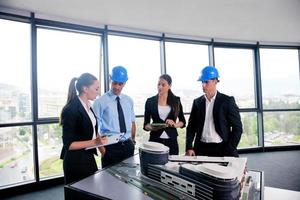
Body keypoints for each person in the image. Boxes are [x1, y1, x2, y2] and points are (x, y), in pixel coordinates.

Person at [60, 73, 107, 184]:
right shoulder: (71, 109)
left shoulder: (89, 106)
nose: (98, 92)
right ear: (85, 88)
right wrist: (94, 142)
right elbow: (69, 145)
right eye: (96, 88)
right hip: (75, 162)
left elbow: (94, 132)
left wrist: (103, 150)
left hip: (88, 157)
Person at [185, 66, 243, 157]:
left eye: (206, 82)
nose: (203, 85)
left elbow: (238, 128)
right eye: (202, 82)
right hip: (200, 148)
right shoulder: (197, 102)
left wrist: (229, 149)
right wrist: (189, 147)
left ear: (215, 81)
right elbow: (191, 127)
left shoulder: (227, 101)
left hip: (221, 149)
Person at [93, 66, 136, 168]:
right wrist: (103, 151)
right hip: (110, 147)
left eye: (120, 84)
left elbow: (132, 122)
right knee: (109, 180)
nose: (116, 87)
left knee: (128, 178)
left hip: (128, 146)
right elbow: (94, 128)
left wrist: (132, 141)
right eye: (114, 83)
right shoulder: (100, 102)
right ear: (110, 80)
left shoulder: (129, 100)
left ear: (125, 83)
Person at [144, 74, 186, 155]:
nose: (160, 87)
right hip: (155, 141)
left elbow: (182, 122)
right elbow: (146, 125)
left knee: (172, 166)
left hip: (171, 141)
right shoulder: (150, 101)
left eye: (163, 85)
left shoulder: (176, 101)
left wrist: (174, 125)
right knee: (155, 165)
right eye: (158, 84)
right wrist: (152, 127)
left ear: (169, 86)